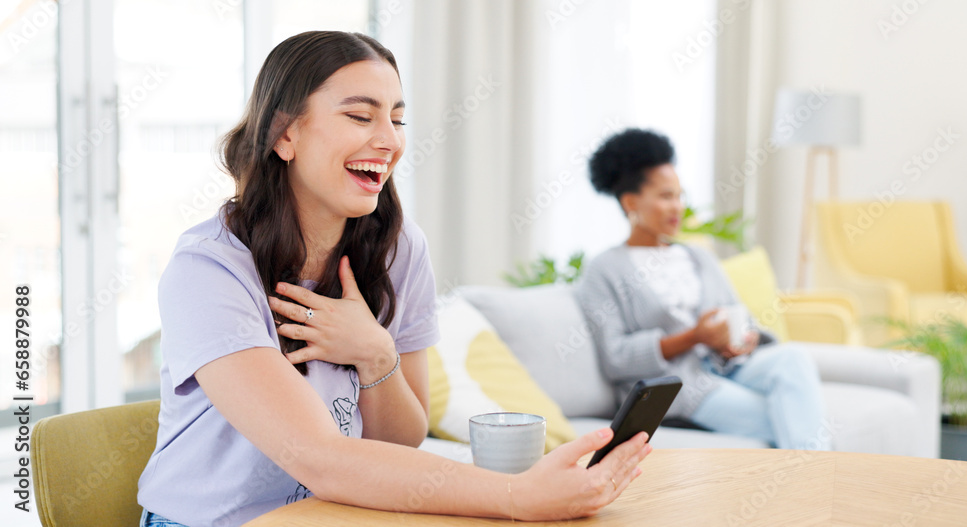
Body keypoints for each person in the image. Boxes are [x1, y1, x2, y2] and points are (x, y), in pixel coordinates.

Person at [136, 32, 650, 526]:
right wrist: (518, 496)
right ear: (284, 134)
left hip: (341, 514)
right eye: (361, 116)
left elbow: (398, 442)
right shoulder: (208, 269)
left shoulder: (398, 249)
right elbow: (319, 459)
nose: (389, 141)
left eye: (397, 120)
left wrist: (375, 354)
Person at [574, 128, 832, 451]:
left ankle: (817, 487)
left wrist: (744, 339)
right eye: (666, 196)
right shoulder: (605, 270)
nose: (677, 207)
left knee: (793, 358)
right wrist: (694, 337)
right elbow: (616, 357)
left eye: (680, 196)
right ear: (630, 202)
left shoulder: (697, 256)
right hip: (680, 386)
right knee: (789, 419)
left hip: (729, 366)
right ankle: (824, 488)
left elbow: (739, 316)